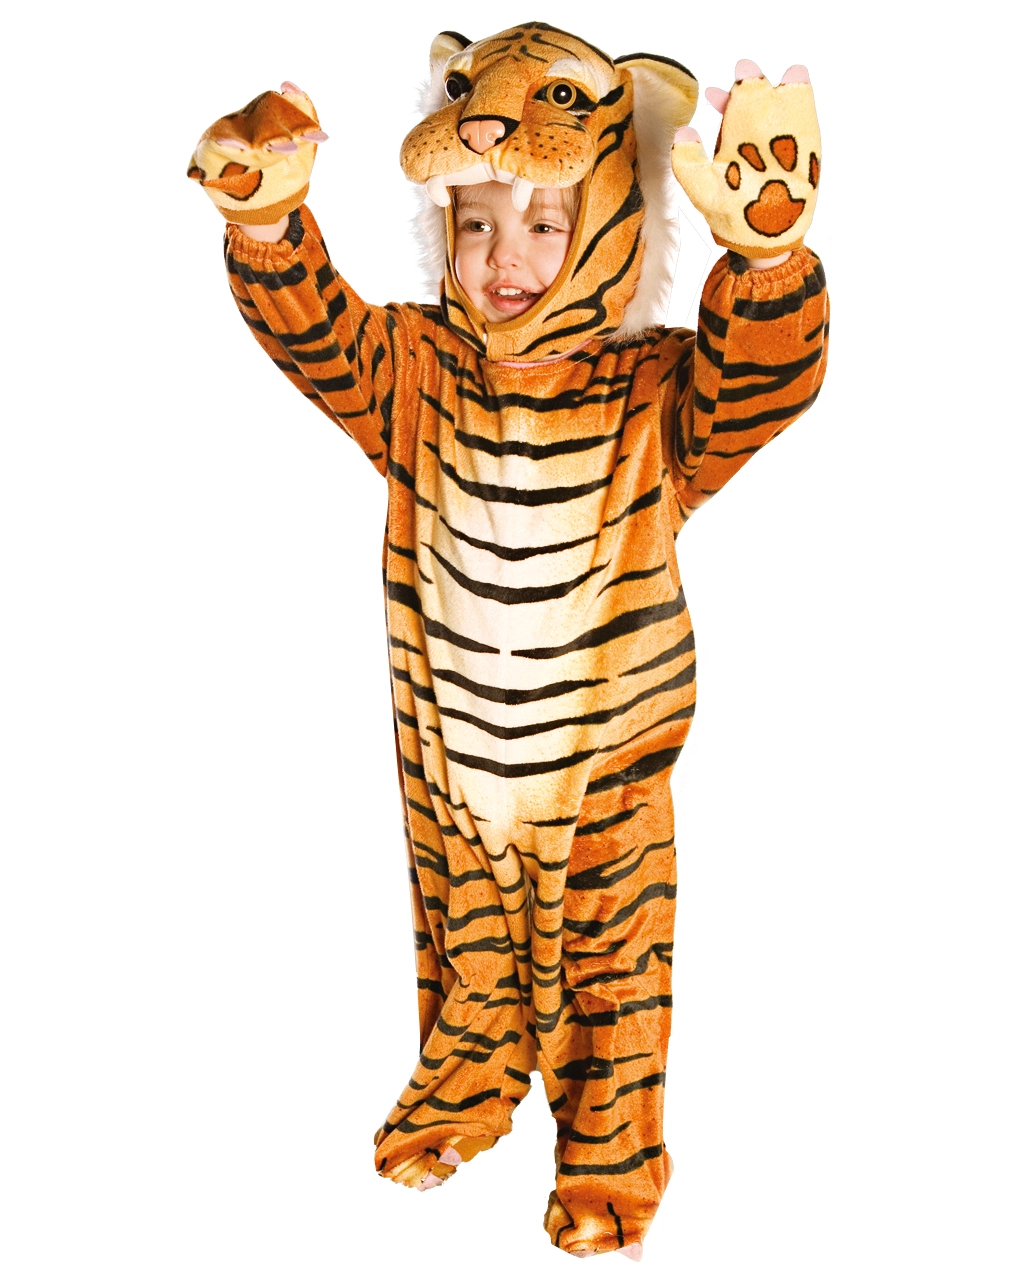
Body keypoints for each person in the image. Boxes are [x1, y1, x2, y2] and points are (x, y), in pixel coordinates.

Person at [187, 22, 828, 1260]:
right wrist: (267, 226)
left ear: (613, 224)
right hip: (457, 769)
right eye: (474, 223)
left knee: (613, 974)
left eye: (544, 221)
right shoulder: (415, 371)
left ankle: (609, 1167)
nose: (503, 255)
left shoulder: (649, 389)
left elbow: (766, 382)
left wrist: (765, 257)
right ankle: (466, 1085)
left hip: (605, 779)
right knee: (466, 953)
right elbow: (317, 333)